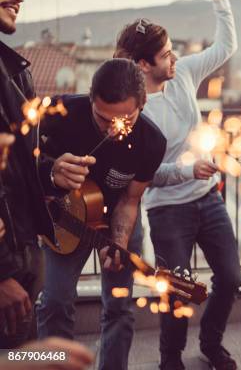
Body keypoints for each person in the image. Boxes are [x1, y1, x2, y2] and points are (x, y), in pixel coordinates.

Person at [115, 0, 241, 369]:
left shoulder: (184, 72)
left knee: (232, 278)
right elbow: (146, 178)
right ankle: (170, 358)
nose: (175, 57)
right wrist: (188, 171)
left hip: (209, 200)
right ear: (142, 63)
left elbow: (226, 47)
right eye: (166, 53)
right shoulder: (132, 110)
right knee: (178, 289)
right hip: (168, 210)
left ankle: (211, 343)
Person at [36, 59, 167, 370]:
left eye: (124, 121)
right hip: (62, 217)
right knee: (54, 303)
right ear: (90, 97)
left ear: (143, 103)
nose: (113, 130)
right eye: (102, 118)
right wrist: (50, 170)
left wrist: (119, 240)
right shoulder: (59, 111)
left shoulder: (152, 141)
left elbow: (131, 200)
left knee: (119, 307)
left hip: (118, 218)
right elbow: (18, 156)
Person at [0, 0, 92, 350]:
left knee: (22, 356)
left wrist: (50, 171)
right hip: (6, 267)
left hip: (23, 252)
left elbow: (14, 164)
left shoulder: (13, 69)